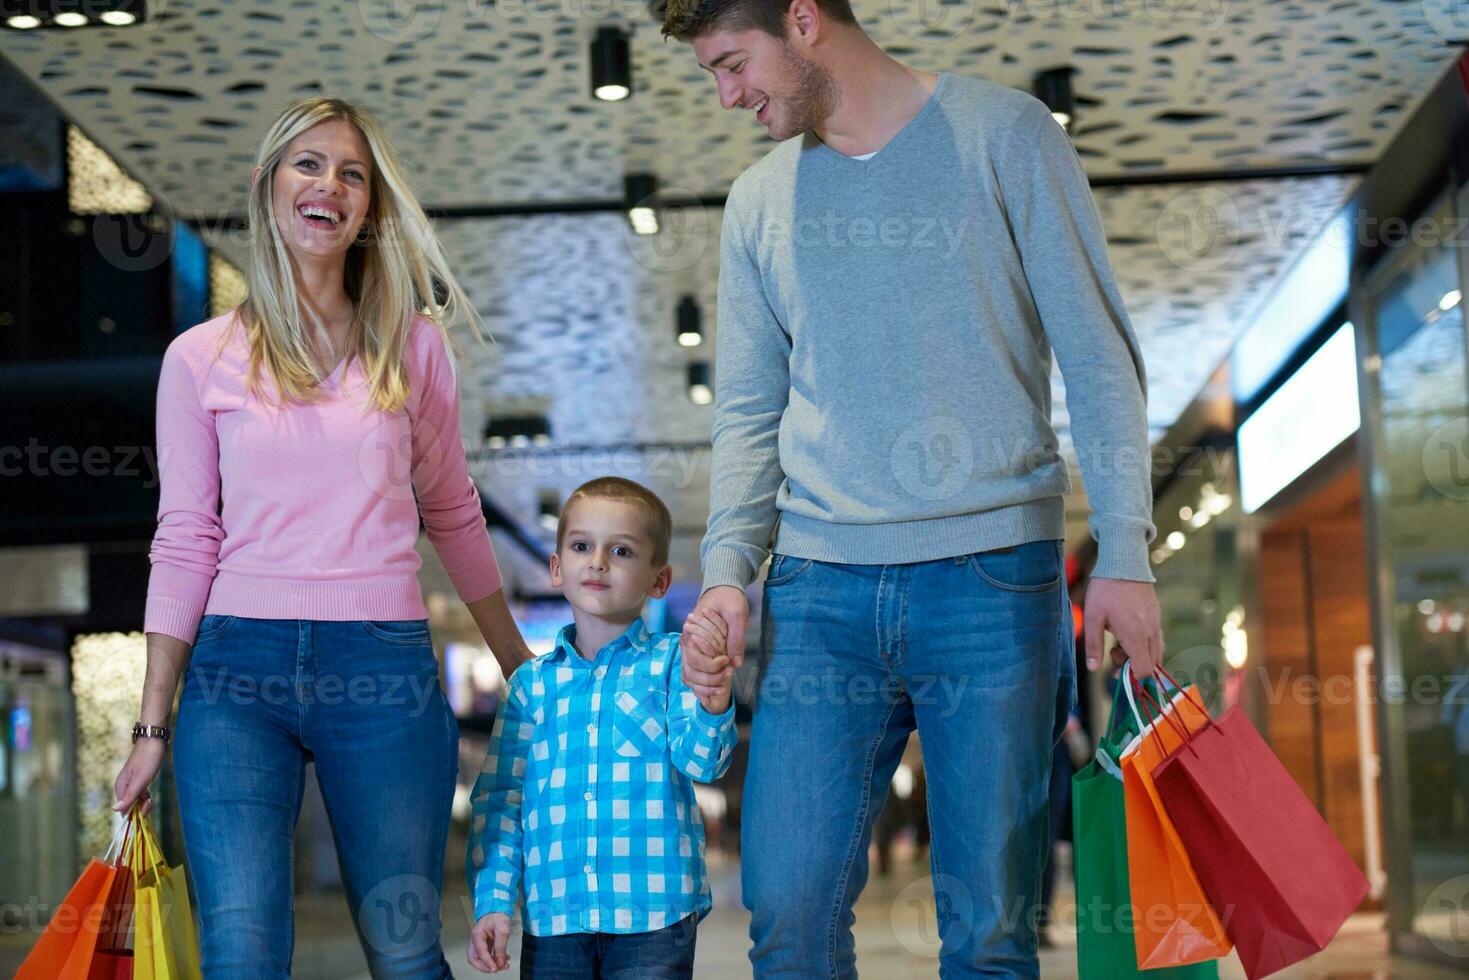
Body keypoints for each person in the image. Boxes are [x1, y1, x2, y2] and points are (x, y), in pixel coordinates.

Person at [660, 0, 1164, 975]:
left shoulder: (1003, 135)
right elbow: (746, 412)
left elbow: (1097, 356)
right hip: (818, 591)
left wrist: (1125, 553)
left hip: (993, 582)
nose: (726, 97)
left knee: (988, 931)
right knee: (787, 908)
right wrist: (726, 570)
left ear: (801, 19)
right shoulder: (758, 202)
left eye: (730, 64)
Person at [112, 96, 533, 978]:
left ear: (370, 208)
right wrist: (152, 726)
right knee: (241, 953)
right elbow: (185, 535)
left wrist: (521, 670)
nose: (329, 186)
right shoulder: (198, 358)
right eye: (308, 164)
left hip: (382, 668)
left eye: (352, 174)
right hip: (234, 677)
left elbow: (452, 510)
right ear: (269, 186)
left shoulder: (412, 349)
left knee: (407, 950)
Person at [466, 477, 737, 976]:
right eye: (581, 546)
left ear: (659, 581)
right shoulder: (530, 687)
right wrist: (494, 901)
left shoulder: (674, 663)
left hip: (655, 913)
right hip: (555, 918)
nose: (597, 562)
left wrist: (713, 704)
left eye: (621, 550)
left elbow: (703, 762)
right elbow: (501, 801)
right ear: (556, 567)